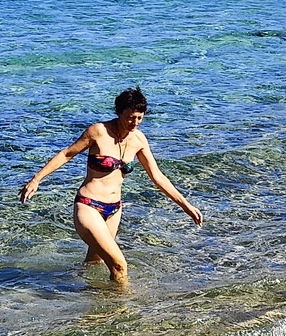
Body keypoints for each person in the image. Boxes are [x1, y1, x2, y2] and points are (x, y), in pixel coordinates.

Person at [18, 86, 203, 285]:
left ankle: (75, 294)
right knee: (119, 265)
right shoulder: (98, 132)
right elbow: (67, 154)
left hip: (114, 210)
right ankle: (123, 303)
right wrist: (36, 179)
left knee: (94, 263)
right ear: (119, 112)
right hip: (89, 205)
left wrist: (186, 206)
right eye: (131, 117)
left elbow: (157, 176)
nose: (135, 123)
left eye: (140, 118)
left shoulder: (139, 139)